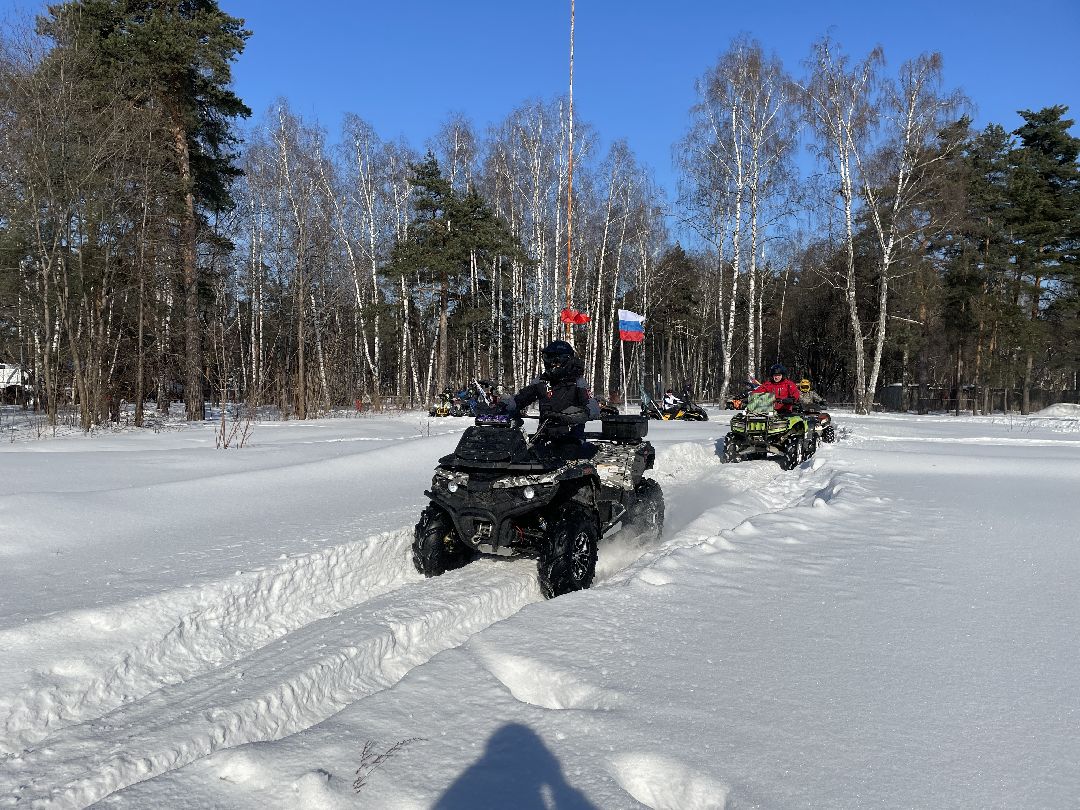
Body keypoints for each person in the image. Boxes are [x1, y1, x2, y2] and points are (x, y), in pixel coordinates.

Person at [510, 340, 600, 450]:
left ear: (565, 360)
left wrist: (573, 415)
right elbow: (520, 398)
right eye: (547, 358)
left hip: (571, 439)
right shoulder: (542, 381)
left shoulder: (577, 381)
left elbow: (593, 406)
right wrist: (502, 405)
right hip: (544, 437)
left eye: (554, 360)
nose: (550, 364)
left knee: (570, 451)